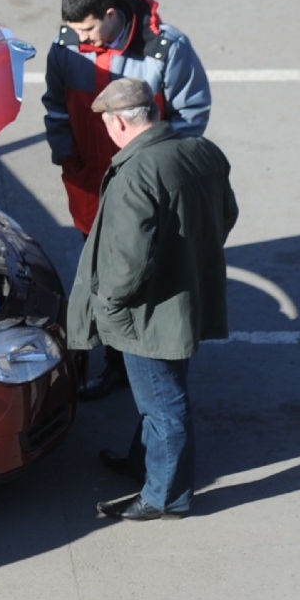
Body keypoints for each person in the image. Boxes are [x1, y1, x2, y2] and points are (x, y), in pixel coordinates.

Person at [67, 78, 237, 522]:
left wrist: (106, 308)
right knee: (162, 392)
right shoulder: (204, 153)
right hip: (184, 301)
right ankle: (141, 463)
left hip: (148, 315)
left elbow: (126, 263)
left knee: (163, 404)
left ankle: (165, 496)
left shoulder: (135, 175)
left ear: (119, 122)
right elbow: (227, 215)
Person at [45, 0, 213, 399]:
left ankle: (144, 362)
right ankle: (118, 362)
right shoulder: (67, 46)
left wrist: (154, 169)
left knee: (137, 275)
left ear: (110, 15)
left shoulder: (166, 49)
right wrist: (69, 158)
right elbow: (56, 106)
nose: (78, 38)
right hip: (89, 186)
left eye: (87, 30)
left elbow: (191, 115)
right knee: (102, 274)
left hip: (143, 189)